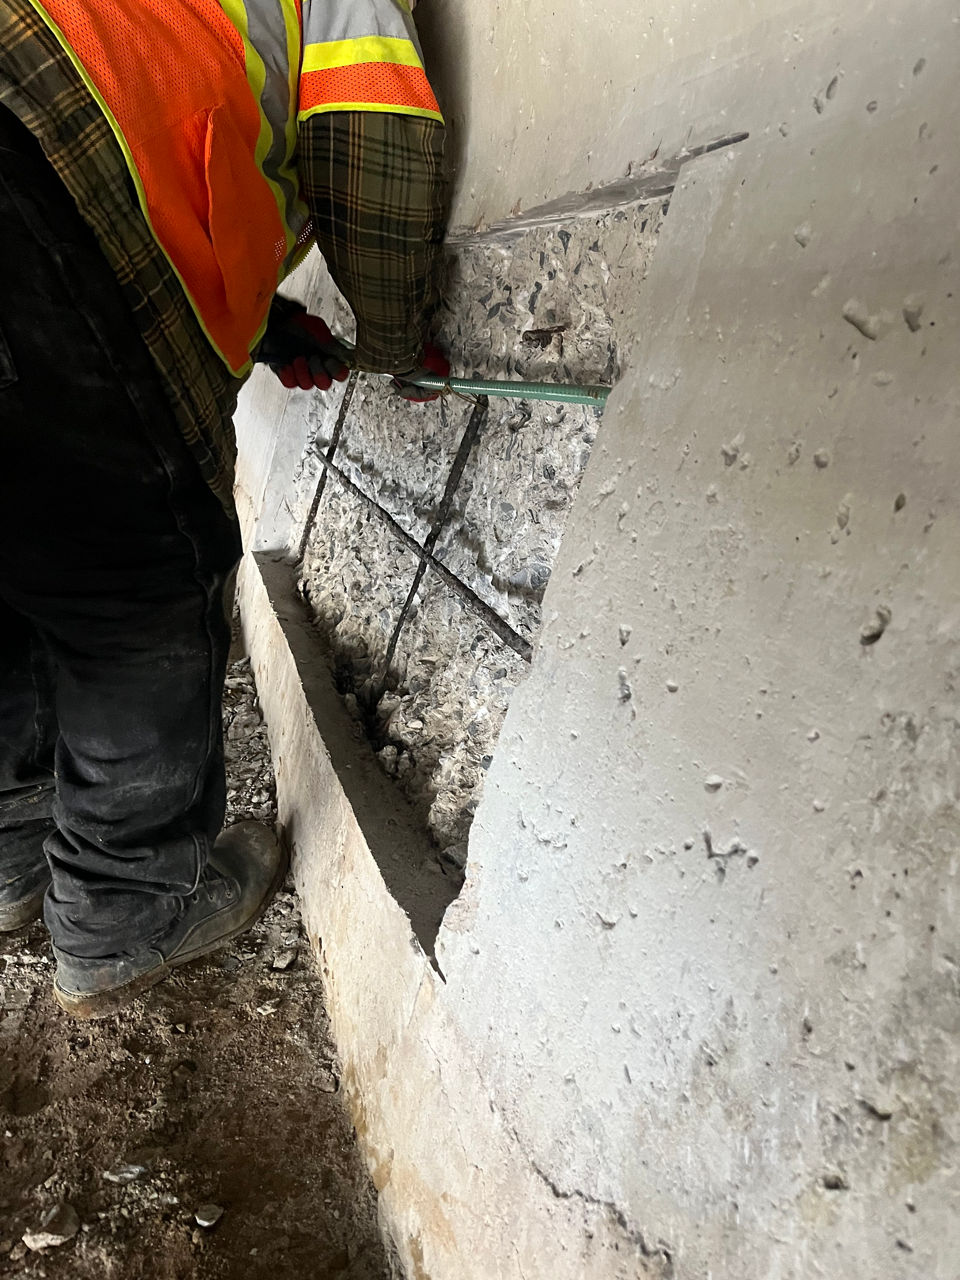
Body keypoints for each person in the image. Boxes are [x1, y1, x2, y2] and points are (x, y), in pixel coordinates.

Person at [0, 0, 449, 1018]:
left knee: (13, 582)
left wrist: (267, 317)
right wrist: (388, 335)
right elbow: (383, 162)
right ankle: (121, 913)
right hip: (34, 210)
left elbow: (157, 120)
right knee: (136, 596)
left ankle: (11, 861)